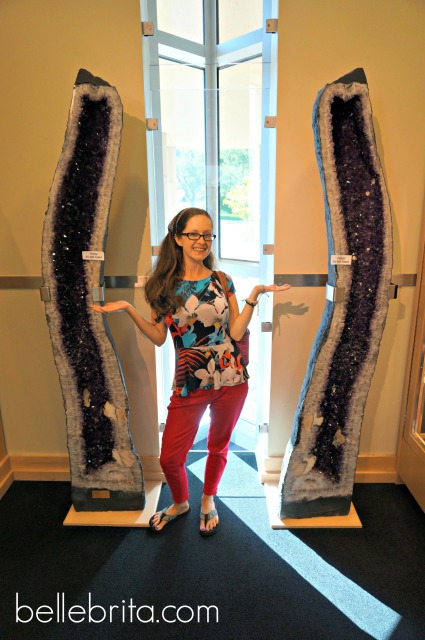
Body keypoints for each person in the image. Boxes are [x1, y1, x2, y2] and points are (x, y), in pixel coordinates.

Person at [91, 207, 291, 536]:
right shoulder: (166, 288)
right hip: (190, 381)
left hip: (232, 378)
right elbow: (158, 338)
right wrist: (128, 309)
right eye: (194, 234)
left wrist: (254, 297)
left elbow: (237, 333)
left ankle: (208, 498)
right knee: (170, 457)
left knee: (218, 446)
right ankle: (181, 502)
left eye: (208, 234)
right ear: (178, 238)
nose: (202, 241)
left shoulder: (222, 280)